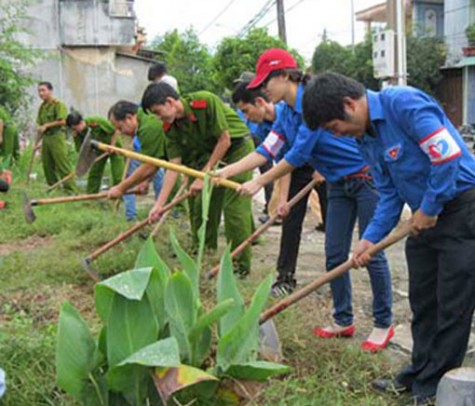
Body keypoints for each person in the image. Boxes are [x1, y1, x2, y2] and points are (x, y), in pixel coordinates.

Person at [301, 72, 475, 405]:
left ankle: (436, 385)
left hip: (463, 208)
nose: (336, 135)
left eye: (334, 128)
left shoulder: (404, 104)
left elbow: (447, 156)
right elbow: (389, 193)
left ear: (349, 105)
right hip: (425, 216)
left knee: (452, 304)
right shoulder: (365, 138)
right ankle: (418, 372)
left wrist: (428, 206)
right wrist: (368, 239)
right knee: (423, 301)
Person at [219, 49, 393, 351]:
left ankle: (383, 323)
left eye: (267, 82)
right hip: (337, 184)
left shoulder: (313, 105)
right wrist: (224, 172)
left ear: (286, 76)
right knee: (334, 254)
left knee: (372, 252)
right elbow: (268, 149)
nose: (264, 89)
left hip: (366, 180)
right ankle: (343, 319)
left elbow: (298, 154)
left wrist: (260, 181)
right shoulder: (285, 113)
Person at [142, 82, 255, 276]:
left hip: (237, 150)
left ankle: (239, 266)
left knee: (233, 208)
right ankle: (204, 253)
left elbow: (224, 140)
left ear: (170, 102)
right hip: (210, 156)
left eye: (158, 112)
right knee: (200, 205)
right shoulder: (171, 128)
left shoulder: (204, 101)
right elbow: (173, 166)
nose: (158, 118)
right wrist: (159, 204)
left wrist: (203, 177)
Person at [233, 74, 275, 223]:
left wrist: (258, 182)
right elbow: (265, 153)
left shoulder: (285, 115)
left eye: (246, 111)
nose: (246, 117)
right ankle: (272, 208)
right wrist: (223, 173)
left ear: (259, 101)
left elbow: (294, 156)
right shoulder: (262, 128)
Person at [107, 101, 166, 202]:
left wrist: (120, 188)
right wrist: (145, 181)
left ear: (129, 118)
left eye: (120, 128)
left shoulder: (148, 127)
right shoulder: (144, 122)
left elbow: (150, 165)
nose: (122, 133)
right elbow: (155, 160)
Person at [66, 111, 125, 194]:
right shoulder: (78, 133)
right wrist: (75, 138)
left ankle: (120, 194)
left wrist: (112, 146)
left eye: (76, 127)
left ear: (81, 122)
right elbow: (80, 150)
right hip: (99, 151)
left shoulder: (97, 121)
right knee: (95, 173)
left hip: (114, 147)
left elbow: (115, 131)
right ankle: (91, 196)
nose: (76, 130)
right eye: (73, 129)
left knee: (118, 173)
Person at [36, 82, 77, 192]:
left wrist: (47, 125)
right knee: (47, 164)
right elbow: (40, 126)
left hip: (57, 136)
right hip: (46, 138)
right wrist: (37, 143)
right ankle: (53, 188)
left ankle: (71, 190)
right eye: (39, 91)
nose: (41, 93)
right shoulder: (42, 107)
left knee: (62, 163)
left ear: (50, 91)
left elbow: (63, 121)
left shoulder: (58, 105)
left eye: (43, 90)